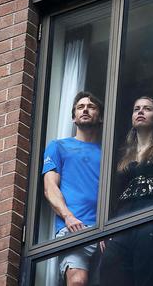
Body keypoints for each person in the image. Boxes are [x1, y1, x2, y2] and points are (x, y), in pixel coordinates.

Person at [99, 96, 153, 286]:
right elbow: (112, 196)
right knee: (109, 266)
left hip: (151, 214)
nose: (140, 111)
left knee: (146, 269)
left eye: (147, 108)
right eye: (136, 108)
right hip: (123, 218)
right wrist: (106, 228)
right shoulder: (123, 156)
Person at [43, 91, 104, 286]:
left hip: (104, 230)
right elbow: (50, 187)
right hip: (74, 227)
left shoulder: (108, 152)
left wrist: (109, 227)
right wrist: (68, 216)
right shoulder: (59, 146)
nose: (85, 109)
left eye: (91, 106)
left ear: (101, 116)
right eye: (80, 107)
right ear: (73, 117)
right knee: (77, 281)